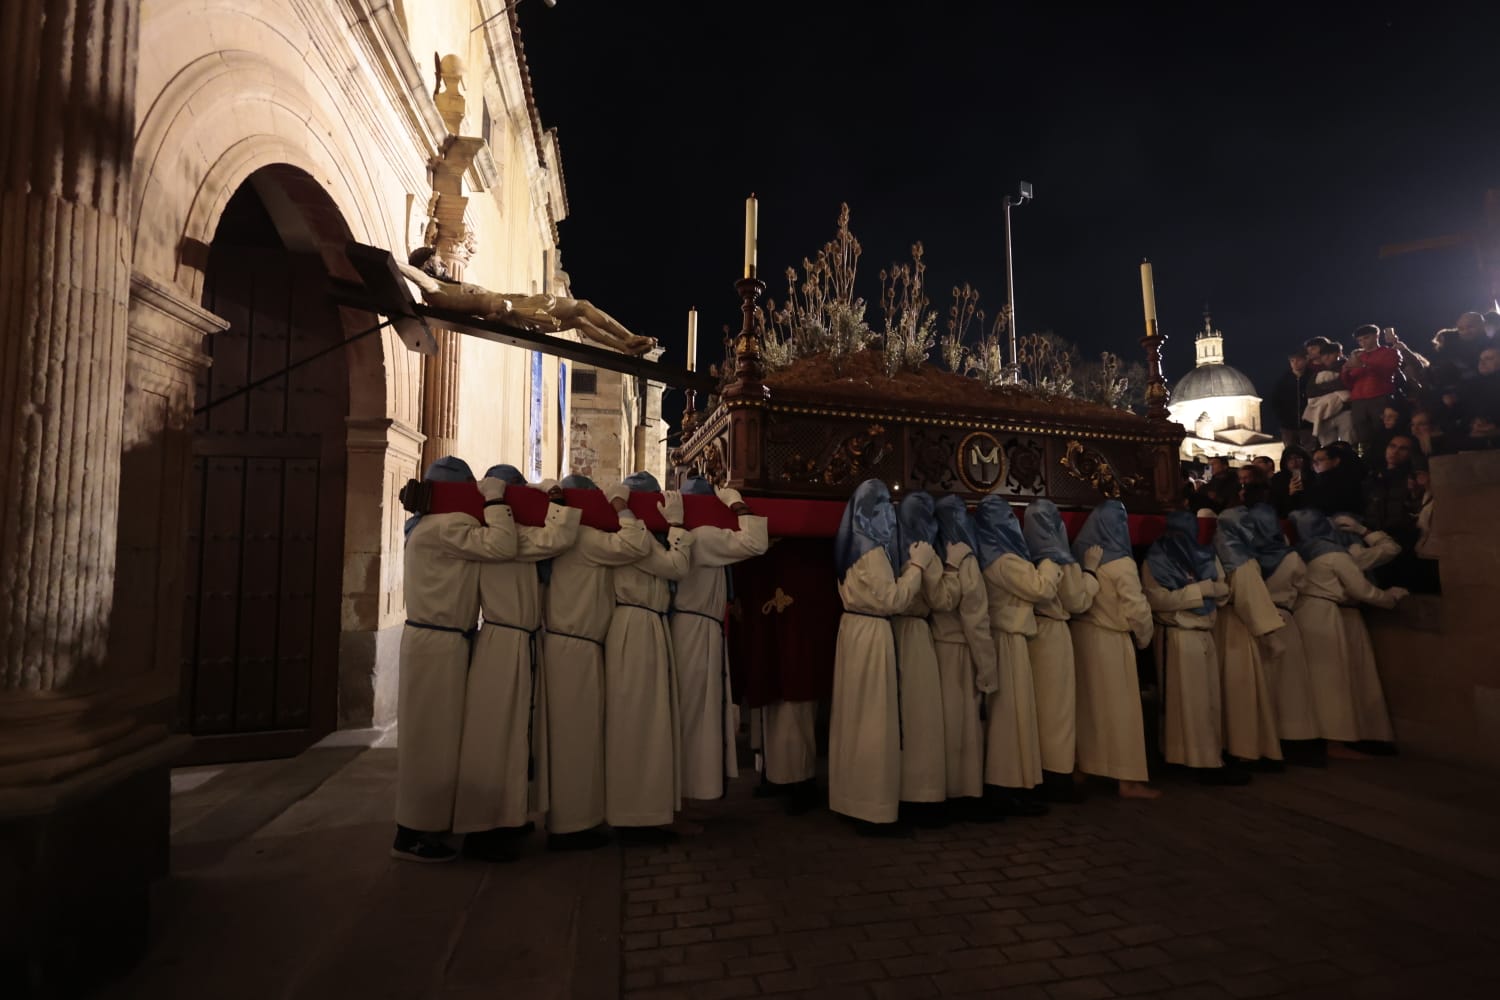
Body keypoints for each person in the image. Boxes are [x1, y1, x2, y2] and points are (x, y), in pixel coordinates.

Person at [451, 466, 580, 862]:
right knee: (495, 736)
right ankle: (482, 827)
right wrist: (555, 497)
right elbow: (560, 536)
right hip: (504, 642)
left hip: (514, 641)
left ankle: (507, 817)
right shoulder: (512, 537)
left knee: (514, 735)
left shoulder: (492, 532)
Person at [393, 457, 518, 863]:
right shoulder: (446, 526)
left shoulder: (426, 526)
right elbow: (502, 544)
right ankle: (411, 833)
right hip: (437, 646)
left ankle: (430, 822)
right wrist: (496, 503)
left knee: (440, 739)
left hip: (442, 642)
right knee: (429, 740)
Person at [540, 474, 654, 850]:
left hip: (569, 646)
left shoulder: (560, 533)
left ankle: (574, 820)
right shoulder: (586, 538)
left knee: (573, 739)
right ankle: (571, 827)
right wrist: (621, 506)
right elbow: (636, 543)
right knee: (575, 740)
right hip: (576, 649)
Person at [828, 479, 940, 835]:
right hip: (874, 634)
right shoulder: (872, 552)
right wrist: (917, 568)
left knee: (854, 718)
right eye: (883, 506)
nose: (889, 513)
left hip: (854, 633)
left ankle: (851, 799)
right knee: (876, 721)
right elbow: (893, 600)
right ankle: (873, 808)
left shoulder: (850, 545)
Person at [604, 472, 694, 841]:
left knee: (649, 724)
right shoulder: (634, 541)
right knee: (638, 725)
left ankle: (645, 812)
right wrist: (674, 524)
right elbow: (676, 566)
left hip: (646, 628)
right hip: (636, 629)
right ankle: (633, 816)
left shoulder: (639, 538)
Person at [671, 477, 769, 804]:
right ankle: (684, 796)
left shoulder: (681, 535)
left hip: (690, 629)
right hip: (697, 634)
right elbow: (756, 542)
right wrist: (736, 503)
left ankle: (686, 796)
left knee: (692, 713)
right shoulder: (703, 536)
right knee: (695, 715)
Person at [1290, 510, 1407, 759]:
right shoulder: (1334, 555)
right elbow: (1363, 588)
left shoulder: (1301, 552)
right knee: (1334, 680)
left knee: (1328, 679)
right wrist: (1390, 598)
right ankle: (1337, 740)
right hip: (1327, 615)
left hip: (1313, 614)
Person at [974, 495, 1062, 815]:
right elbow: (1040, 589)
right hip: (1006, 641)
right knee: (1008, 720)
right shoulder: (1003, 560)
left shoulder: (993, 556)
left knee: (1015, 717)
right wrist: (1052, 559)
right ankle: (1004, 788)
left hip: (1010, 640)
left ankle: (1015, 787)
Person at [403, 246, 658, 356]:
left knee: (580, 319)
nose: (444, 262)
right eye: (437, 260)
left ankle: (625, 345)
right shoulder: (434, 289)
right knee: (582, 307)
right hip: (514, 313)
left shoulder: (446, 286)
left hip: (512, 306)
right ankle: (628, 338)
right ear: (427, 266)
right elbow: (416, 275)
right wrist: (394, 263)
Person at [1141, 511, 1241, 784]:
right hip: (1178, 634)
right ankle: (1191, 761)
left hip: (1203, 632)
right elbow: (1156, 599)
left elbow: (1222, 590)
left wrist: (1212, 591)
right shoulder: (1157, 559)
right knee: (1186, 702)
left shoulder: (1205, 554)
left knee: (1205, 701)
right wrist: (1199, 592)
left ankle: (1208, 756)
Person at [1069, 501, 1159, 799]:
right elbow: (1136, 607)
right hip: (1111, 640)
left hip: (1082, 637)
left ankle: (1085, 765)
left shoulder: (1083, 556)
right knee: (1122, 712)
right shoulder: (1122, 563)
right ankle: (1127, 779)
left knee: (1089, 706)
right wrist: (1145, 637)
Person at [890, 492, 962, 825]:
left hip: (887, 633)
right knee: (921, 718)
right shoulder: (925, 550)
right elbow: (943, 599)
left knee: (895, 718)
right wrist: (952, 567)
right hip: (917, 635)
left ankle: (893, 791)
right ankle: (921, 795)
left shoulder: (887, 542)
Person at [1022, 499, 1099, 803]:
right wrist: (1090, 574)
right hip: (1053, 633)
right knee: (1058, 709)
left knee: (1037, 708)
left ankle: (1037, 771)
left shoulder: (1022, 551)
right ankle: (1058, 776)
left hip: (1032, 633)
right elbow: (1077, 601)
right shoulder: (1059, 559)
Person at [928, 495, 999, 818]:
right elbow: (976, 618)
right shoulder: (964, 557)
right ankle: (965, 794)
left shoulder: (931, 550)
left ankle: (942, 789)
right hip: (959, 649)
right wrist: (988, 669)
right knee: (963, 728)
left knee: (942, 725)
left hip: (935, 647)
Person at [1245, 504, 1324, 766]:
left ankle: (1266, 740)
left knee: (1264, 685)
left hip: (1257, 622)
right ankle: (1295, 739)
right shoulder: (1292, 558)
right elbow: (1302, 585)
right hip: (1285, 620)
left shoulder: (1247, 557)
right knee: (1292, 686)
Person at [1212, 507, 1286, 770]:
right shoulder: (1240, 560)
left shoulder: (1219, 551)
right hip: (1239, 631)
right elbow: (1250, 600)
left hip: (1225, 626)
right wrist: (1270, 636)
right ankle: (1245, 749)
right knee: (1242, 692)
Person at [1341, 324, 1401, 451]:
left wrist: (1364, 366)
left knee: (1382, 433)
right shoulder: (1358, 356)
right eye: (1360, 340)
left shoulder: (1389, 352)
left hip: (1380, 397)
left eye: (1366, 338)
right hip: (1358, 401)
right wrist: (1345, 371)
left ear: (1376, 336)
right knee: (1362, 436)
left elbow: (1388, 372)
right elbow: (1349, 383)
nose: (1363, 342)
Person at [1271, 350, 1316, 449]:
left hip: (1308, 425)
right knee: (1291, 452)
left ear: (1305, 360)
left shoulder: (1312, 377)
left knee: (1309, 451)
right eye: (1292, 361)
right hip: (1288, 426)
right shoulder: (1283, 380)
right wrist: (1282, 418)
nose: (1295, 363)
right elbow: (1276, 401)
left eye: (1298, 360)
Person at [1306, 446, 1363, 515]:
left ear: (1335, 461)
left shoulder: (1344, 480)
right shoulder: (1316, 479)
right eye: (1314, 461)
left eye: (1320, 460)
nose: (1315, 464)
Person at [1268, 446, 1313, 518]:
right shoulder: (1278, 479)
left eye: (1298, 458)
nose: (1294, 462)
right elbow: (1277, 506)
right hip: (1289, 514)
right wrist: (1290, 494)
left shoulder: (1313, 475)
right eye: (1289, 459)